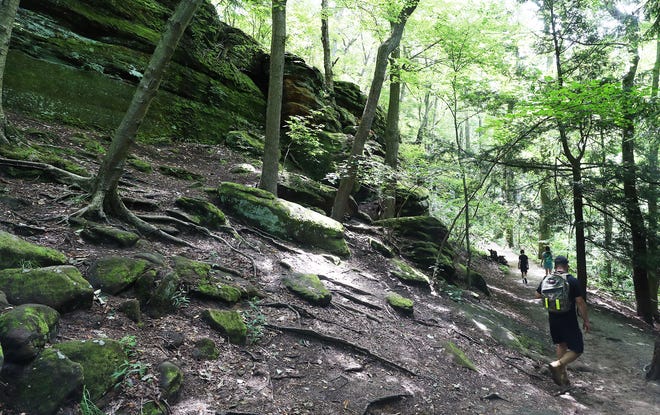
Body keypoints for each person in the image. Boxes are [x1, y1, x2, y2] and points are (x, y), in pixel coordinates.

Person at [535, 255, 590, 386]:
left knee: (561, 345)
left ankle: (563, 376)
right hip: (568, 319)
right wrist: (586, 320)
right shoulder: (572, 280)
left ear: (555, 265)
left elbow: (537, 295)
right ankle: (557, 364)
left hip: (553, 317)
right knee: (578, 348)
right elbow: (580, 302)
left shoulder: (547, 279)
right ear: (566, 266)